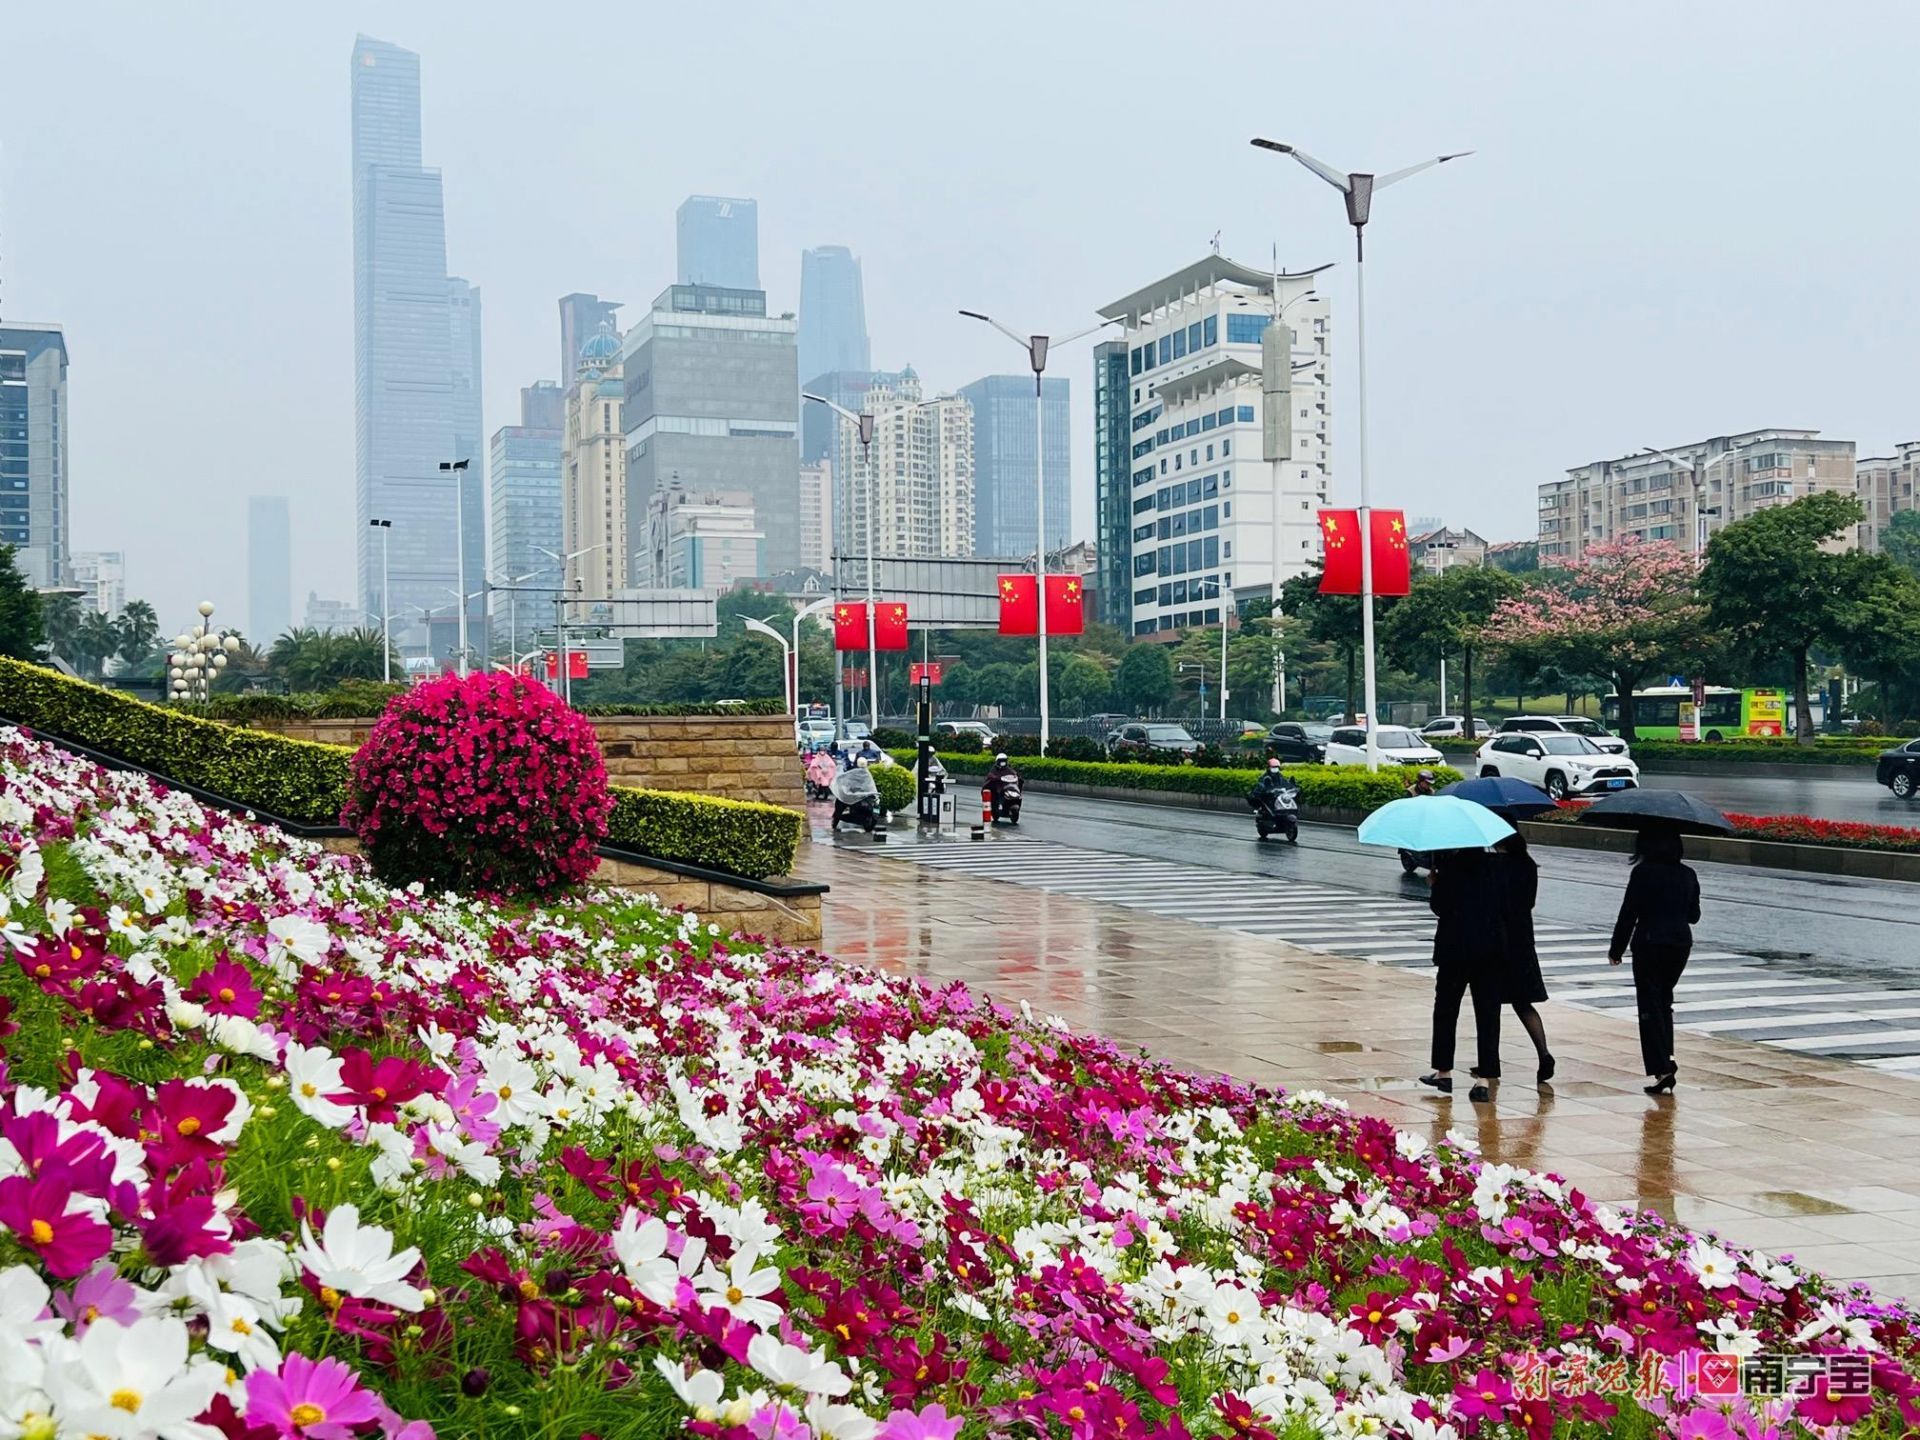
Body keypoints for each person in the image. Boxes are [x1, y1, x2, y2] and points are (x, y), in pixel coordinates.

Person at [1609, 827, 1701, 1094]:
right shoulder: (1688, 874)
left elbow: (1628, 913)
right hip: (1680, 943)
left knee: (1649, 1006)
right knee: (1664, 1001)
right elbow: (1694, 915)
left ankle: (1661, 1067)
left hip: (1649, 942)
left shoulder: (1643, 873)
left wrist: (1617, 949)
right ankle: (1667, 1059)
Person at [1419, 847, 1507, 1099]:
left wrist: (1435, 884)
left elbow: (1441, 907)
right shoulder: (1496, 866)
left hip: (1454, 949)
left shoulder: (1449, 866)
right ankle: (1484, 1079)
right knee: (1488, 1014)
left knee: (1446, 1010)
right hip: (1490, 949)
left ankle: (1444, 1072)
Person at [1489, 833, 1555, 1085]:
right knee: (1523, 1002)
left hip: (1497, 938)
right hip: (1523, 938)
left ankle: (1490, 1061)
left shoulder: (1493, 865)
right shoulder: (1528, 865)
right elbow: (1529, 902)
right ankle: (1543, 1052)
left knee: (1489, 1004)